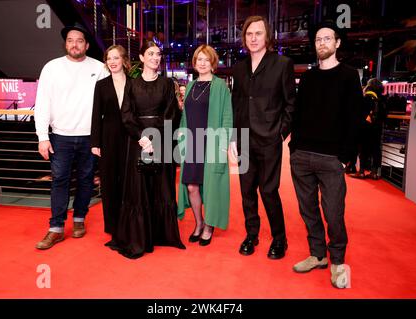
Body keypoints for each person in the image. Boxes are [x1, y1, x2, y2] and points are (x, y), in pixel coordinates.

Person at [289, 20, 362, 288]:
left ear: (337, 43)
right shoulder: (307, 77)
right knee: (308, 210)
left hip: (331, 158)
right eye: (318, 39)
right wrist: (293, 146)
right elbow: (297, 114)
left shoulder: (349, 75)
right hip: (302, 155)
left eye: (327, 39)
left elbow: (354, 119)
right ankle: (318, 254)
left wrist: (345, 157)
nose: (322, 43)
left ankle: (338, 261)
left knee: (333, 212)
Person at [34, 22, 108, 249]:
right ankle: (55, 228)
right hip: (60, 137)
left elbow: (108, 104)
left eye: (79, 41)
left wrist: (103, 138)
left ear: (86, 45)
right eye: (70, 40)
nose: (74, 44)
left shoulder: (100, 68)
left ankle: (79, 220)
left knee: (86, 181)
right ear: (66, 44)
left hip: (89, 137)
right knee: (60, 182)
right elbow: (42, 103)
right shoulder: (51, 68)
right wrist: (42, 137)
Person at [230, 16, 296, 259]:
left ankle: (280, 239)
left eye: (258, 33)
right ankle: (251, 235)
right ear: (244, 38)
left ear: (267, 36)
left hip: (269, 139)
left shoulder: (282, 64)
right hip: (244, 139)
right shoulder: (239, 68)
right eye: (249, 34)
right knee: (247, 191)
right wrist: (234, 136)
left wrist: (280, 132)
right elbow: (237, 104)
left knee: (269, 191)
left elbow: (291, 104)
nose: (253, 38)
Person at [114, 41, 185, 259]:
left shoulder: (166, 84)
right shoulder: (131, 84)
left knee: (162, 186)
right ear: (142, 58)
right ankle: (140, 236)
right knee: (139, 188)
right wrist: (142, 138)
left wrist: (155, 138)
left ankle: (162, 235)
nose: (156, 57)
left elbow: (172, 114)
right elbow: (126, 115)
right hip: (138, 143)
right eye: (151, 54)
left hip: (161, 141)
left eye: (158, 54)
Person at [177, 45, 233, 246]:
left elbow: (227, 116)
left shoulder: (220, 86)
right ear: (194, 62)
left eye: (206, 60)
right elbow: (185, 114)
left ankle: (209, 226)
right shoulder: (191, 86)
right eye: (198, 59)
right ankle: (199, 223)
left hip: (212, 141)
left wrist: (224, 143)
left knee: (210, 186)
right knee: (192, 186)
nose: (202, 63)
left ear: (212, 63)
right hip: (192, 142)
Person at [90, 45, 130, 249]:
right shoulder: (101, 85)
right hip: (108, 138)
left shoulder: (134, 83)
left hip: (131, 138)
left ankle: (129, 225)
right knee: (109, 184)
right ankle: (113, 227)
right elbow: (96, 114)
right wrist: (95, 142)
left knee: (128, 183)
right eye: (109, 58)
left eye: (116, 57)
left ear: (124, 59)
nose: (112, 61)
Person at [350, 78, 386, 180]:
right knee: (376, 148)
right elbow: (384, 115)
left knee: (363, 148)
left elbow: (357, 113)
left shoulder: (365, 98)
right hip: (377, 128)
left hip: (364, 128)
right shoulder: (382, 99)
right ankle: (374, 173)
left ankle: (361, 172)